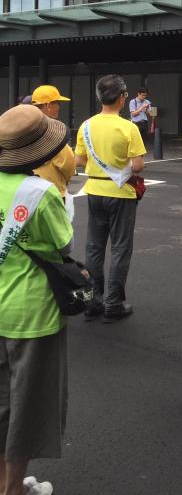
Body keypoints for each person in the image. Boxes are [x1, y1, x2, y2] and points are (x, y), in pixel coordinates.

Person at [0, 104, 73, 495]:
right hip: (33, 314)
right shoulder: (40, 193)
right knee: (27, 406)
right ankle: (13, 489)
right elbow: (65, 244)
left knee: (0, 405)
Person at [74, 74, 146, 322]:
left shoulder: (85, 125)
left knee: (94, 247)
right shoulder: (129, 127)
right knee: (120, 248)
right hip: (121, 193)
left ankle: (93, 301)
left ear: (99, 97)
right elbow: (137, 166)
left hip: (94, 190)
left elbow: (80, 161)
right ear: (123, 97)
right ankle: (113, 303)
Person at [31, 85, 76, 200]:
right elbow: (68, 164)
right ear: (48, 105)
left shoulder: (25, 127)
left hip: (27, 191)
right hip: (51, 192)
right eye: (57, 103)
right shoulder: (52, 131)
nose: (59, 107)